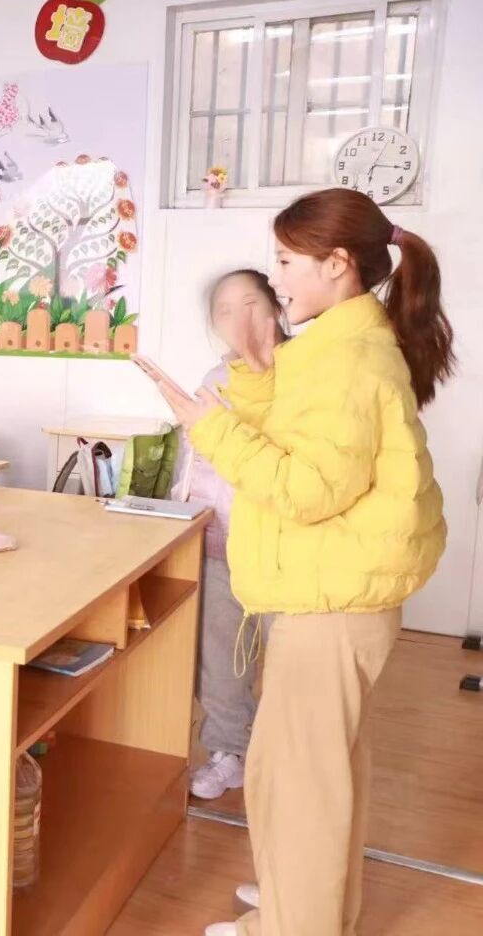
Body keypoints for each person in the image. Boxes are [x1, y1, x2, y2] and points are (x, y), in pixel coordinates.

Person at [137, 188, 450, 936]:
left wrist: (209, 427)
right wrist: (251, 372)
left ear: (336, 264)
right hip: (338, 596)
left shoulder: (345, 358)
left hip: (330, 604)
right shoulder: (339, 345)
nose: (274, 279)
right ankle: (307, 906)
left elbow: (306, 490)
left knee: (296, 781)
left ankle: (290, 925)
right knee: (323, 777)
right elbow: (299, 437)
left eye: (284, 261)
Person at [183, 271, 288, 801]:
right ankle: (228, 754)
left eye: (250, 303)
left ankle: (285, 763)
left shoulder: (304, 372)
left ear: (277, 308)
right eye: (224, 310)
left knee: (291, 666)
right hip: (218, 543)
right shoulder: (214, 376)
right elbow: (197, 460)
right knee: (221, 658)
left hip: (282, 551)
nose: (239, 318)